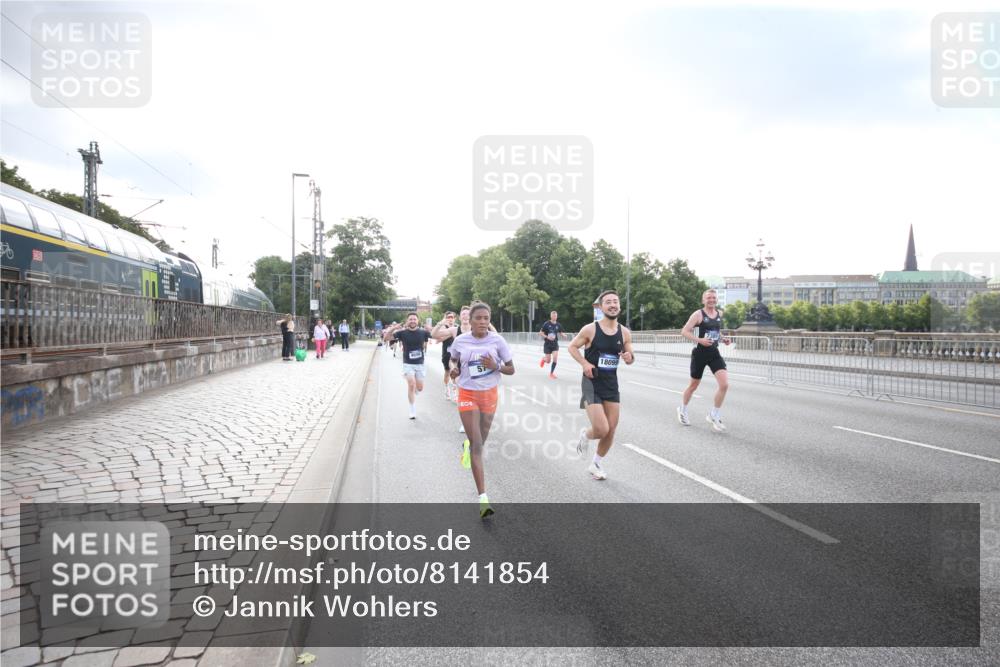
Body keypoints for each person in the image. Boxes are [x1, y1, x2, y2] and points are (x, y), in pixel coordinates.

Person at [447, 301, 514, 518]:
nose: (483, 322)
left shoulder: (497, 340)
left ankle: (468, 446)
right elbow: (453, 361)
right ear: (471, 320)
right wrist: (453, 370)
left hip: (489, 395)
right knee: (478, 444)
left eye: (487, 318)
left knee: (480, 443)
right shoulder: (460, 340)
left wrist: (496, 366)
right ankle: (483, 498)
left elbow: (511, 369)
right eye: (479, 318)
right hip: (467, 393)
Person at [568, 290, 634, 480]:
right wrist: (585, 363)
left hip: (611, 384)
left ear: (619, 306)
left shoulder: (624, 332)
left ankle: (595, 463)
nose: (612, 305)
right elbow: (572, 347)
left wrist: (630, 357)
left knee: (611, 430)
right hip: (591, 383)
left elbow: (630, 356)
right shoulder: (590, 329)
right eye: (608, 302)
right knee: (601, 429)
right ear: (601, 306)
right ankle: (586, 435)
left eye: (615, 301)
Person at [678, 289, 731, 432]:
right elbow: (684, 331)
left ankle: (714, 414)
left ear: (716, 300)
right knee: (693, 385)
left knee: (724, 384)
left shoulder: (719, 313)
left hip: (714, 353)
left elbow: (716, 331)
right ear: (703, 300)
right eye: (708, 298)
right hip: (700, 354)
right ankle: (682, 409)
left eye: (713, 298)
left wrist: (723, 338)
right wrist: (699, 340)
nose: (711, 300)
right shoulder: (698, 314)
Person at [392, 313, 432, 419]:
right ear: (407, 321)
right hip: (407, 363)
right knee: (411, 384)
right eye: (410, 319)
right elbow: (386, 338)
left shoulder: (424, 332)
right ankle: (412, 410)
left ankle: (416, 389)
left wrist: (431, 329)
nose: (412, 321)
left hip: (420, 364)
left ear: (418, 321)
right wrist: (393, 328)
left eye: (414, 319)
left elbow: (437, 336)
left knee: (420, 388)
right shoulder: (402, 333)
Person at [431, 311, 459, 400]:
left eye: (452, 317)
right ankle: (447, 388)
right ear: (445, 318)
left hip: (456, 355)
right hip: (446, 353)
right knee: (447, 372)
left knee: (454, 371)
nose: (450, 319)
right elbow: (438, 339)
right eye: (448, 317)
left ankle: (455, 392)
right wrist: (450, 333)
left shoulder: (458, 328)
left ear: (455, 318)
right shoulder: (444, 327)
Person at [538, 310, 568, 379]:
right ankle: (544, 359)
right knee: (548, 361)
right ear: (551, 316)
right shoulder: (546, 324)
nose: (555, 317)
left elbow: (561, 332)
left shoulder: (558, 325)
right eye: (553, 316)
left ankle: (551, 373)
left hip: (555, 344)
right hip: (547, 344)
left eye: (556, 316)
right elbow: (541, 333)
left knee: (555, 359)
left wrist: (564, 335)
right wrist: (547, 337)